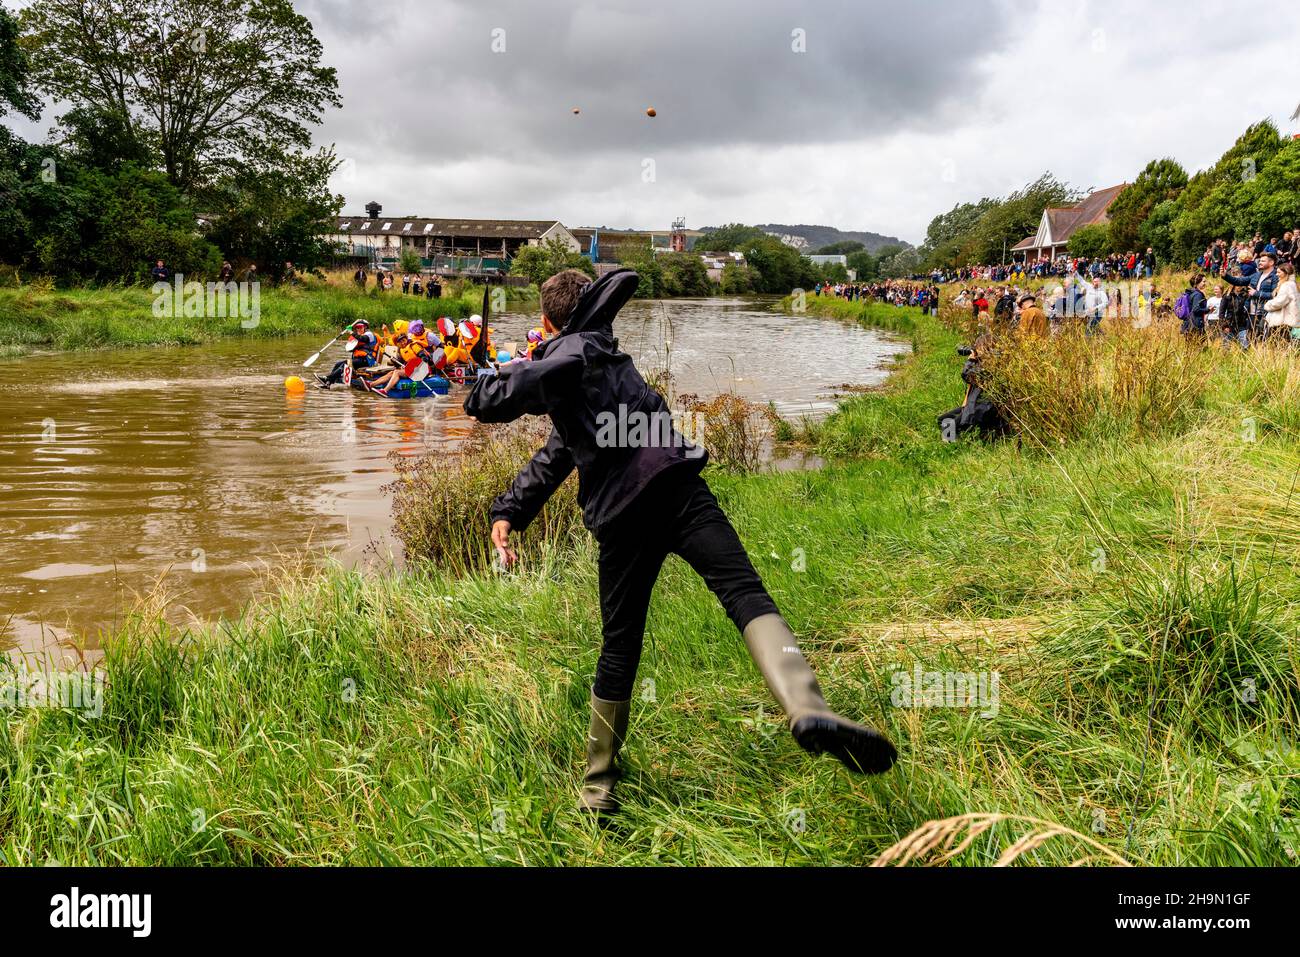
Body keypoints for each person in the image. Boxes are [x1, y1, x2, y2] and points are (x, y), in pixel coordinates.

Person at [462, 268, 897, 814]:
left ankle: (598, 786)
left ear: (547, 320)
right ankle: (806, 705)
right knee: (745, 594)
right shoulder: (603, 355)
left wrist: (483, 384)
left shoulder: (572, 354)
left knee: (620, 646)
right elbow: (561, 449)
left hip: (623, 517)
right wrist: (511, 509)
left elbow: (518, 392)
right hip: (678, 489)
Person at [1225, 250, 1279, 344]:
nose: (1260, 262)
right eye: (1260, 260)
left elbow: (1275, 295)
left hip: (1266, 313)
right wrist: (1225, 276)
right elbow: (1239, 281)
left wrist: (1256, 293)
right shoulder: (1256, 275)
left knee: (1264, 338)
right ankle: (1252, 356)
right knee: (1251, 337)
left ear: (1271, 262)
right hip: (1251, 312)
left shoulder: (1276, 277)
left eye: (1263, 261)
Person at [317, 319, 381, 387]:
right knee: (338, 364)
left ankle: (328, 378)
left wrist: (351, 332)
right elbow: (349, 348)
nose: (358, 329)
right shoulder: (357, 336)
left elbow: (363, 339)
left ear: (365, 327)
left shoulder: (369, 334)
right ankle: (328, 383)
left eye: (360, 327)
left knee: (345, 365)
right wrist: (352, 335)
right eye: (357, 327)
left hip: (367, 360)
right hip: (359, 360)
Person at [1262, 261, 1298, 337]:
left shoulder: (1287, 285)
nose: (1276, 274)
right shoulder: (1292, 284)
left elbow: (1280, 302)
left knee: (1276, 343)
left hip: (1282, 321)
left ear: (1286, 273)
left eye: (1279, 272)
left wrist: (1267, 305)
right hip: (1285, 320)